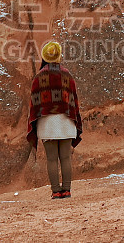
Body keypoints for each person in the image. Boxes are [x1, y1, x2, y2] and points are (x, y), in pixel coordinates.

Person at [27, 41, 83, 199]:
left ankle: (55, 191)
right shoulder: (67, 76)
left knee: (51, 159)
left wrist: (34, 123)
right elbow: (74, 101)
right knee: (65, 157)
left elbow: (34, 104)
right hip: (66, 121)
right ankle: (67, 190)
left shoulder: (39, 77)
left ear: (44, 55)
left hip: (47, 123)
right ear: (59, 55)